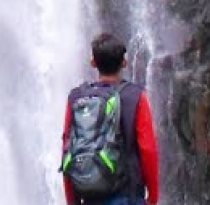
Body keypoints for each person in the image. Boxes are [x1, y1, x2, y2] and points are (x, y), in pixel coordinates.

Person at [61, 33, 160, 205]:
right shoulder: (136, 96)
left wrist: (72, 200)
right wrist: (153, 196)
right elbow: (148, 150)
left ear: (93, 62)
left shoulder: (76, 98)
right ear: (124, 62)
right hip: (128, 195)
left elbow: (67, 148)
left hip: (90, 197)